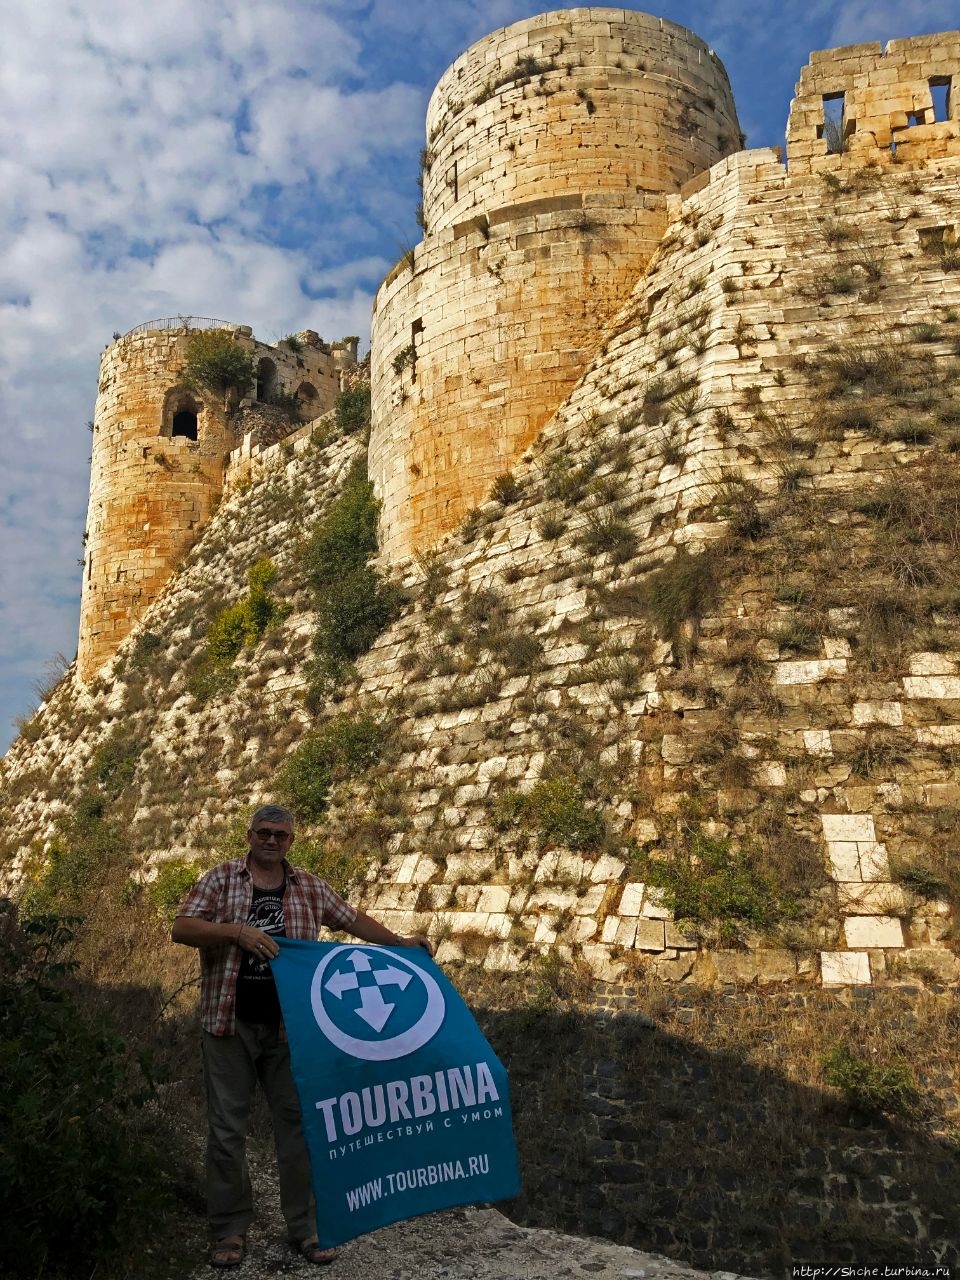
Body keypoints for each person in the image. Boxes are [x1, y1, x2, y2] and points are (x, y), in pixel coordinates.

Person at [172, 804, 434, 1269]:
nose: (271, 841)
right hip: (227, 1023)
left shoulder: (309, 886)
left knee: (299, 1132)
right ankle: (230, 1231)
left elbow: (352, 920)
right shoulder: (220, 879)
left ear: (291, 841)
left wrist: (400, 944)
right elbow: (184, 927)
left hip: (291, 1031)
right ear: (249, 835)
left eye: (280, 835)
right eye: (264, 833)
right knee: (226, 1132)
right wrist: (237, 933)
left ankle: (307, 1229)